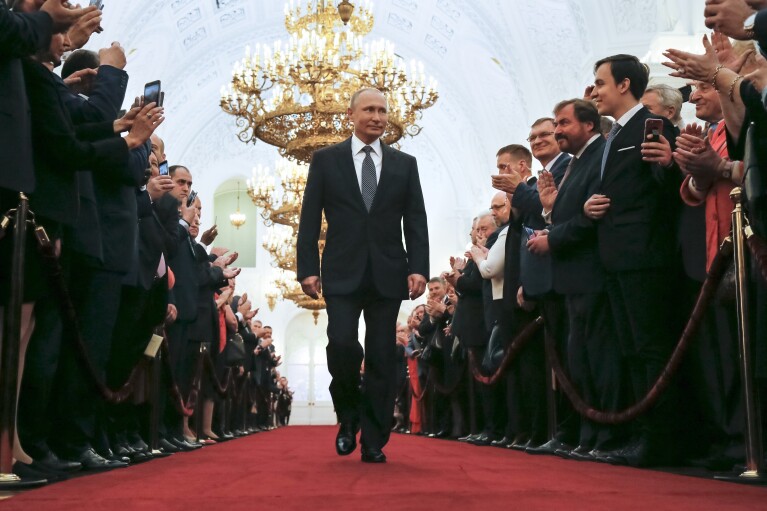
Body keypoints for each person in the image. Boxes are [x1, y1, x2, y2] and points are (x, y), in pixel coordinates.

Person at [297, 87, 429, 463]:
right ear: (351, 114)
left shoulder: (405, 164)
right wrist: (307, 268)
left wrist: (419, 266)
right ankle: (347, 417)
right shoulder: (325, 159)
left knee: (381, 355)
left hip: (389, 272)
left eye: (383, 111)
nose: (377, 117)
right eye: (369, 109)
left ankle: (373, 438)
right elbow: (309, 218)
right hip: (340, 270)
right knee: (341, 344)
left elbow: (415, 220)